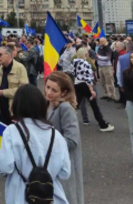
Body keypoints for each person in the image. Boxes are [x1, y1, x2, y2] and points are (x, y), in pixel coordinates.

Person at [0, 84, 71, 204]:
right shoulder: (56, 136)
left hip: (20, 197)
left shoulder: (12, 131)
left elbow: (4, 166)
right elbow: (64, 173)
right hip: (51, 198)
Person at [45, 71, 84, 204]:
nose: (49, 92)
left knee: (67, 197)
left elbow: (72, 141)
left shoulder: (65, 108)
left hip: (65, 163)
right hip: (52, 163)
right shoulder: (49, 104)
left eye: (54, 90)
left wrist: (45, 142)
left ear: (63, 92)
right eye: (48, 87)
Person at [72, 47, 114, 132]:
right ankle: (102, 124)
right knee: (94, 106)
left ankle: (66, 122)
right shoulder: (86, 63)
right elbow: (88, 77)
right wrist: (91, 90)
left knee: (75, 105)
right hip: (85, 85)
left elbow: (73, 73)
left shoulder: (74, 62)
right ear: (85, 54)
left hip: (77, 84)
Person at [0, 45, 28, 125]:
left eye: (0, 55)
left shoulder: (20, 68)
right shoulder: (1, 68)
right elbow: (1, 83)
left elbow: (23, 91)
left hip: (13, 111)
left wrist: (3, 92)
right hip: (1, 107)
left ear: (8, 55)